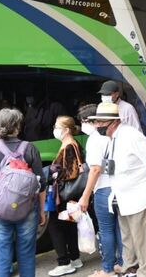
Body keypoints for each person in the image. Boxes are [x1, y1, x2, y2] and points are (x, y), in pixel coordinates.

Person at [88, 103, 146, 277]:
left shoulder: (131, 135)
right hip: (122, 195)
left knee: (141, 238)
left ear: (113, 122)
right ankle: (129, 267)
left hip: (138, 194)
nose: (97, 126)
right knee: (127, 236)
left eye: (100, 122)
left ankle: (145, 272)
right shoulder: (111, 138)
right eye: (96, 122)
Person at [0, 108, 47, 277]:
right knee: (27, 254)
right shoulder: (30, 148)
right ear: (18, 126)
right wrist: (42, 210)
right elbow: (41, 183)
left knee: (1, 256)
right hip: (27, 209)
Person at [77, 105, 124, 277]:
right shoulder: (112, 135)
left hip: (103, 190)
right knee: (119, 228)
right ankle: (122, 263)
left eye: (83, 121)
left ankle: (107, 269)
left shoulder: (95, 140)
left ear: (92, 121)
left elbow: (96, 169)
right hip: (118, 187)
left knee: (106, 230)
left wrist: (85, 196)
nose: (82, 125)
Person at [47, 116, 85, 276]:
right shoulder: (70, 144)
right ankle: (75, 258)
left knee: (55, 225)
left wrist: (54, 172)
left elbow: (70, 173)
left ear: (67, 129)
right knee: (69, 224)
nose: (55, 129)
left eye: (57, 126)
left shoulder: (69, 146)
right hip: (71, 193)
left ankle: (64, 262)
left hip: (64, 193)